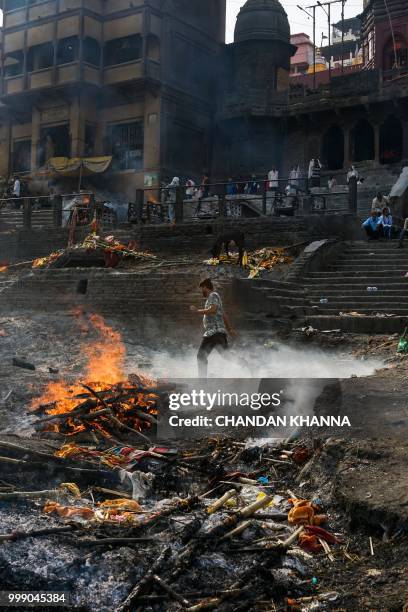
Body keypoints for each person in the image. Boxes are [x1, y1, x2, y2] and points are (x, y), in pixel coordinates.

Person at [190, 278, 236, 378]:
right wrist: (229, 329)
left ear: (205, 287)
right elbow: (223, 315)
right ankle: (248, 364)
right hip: (218, 333)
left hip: (213, 333)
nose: (202, 291)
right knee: (227, 356)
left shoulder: (213, 295)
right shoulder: (214, 298)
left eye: (202, 288)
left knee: (201, 356)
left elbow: (213, 310)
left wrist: (197, 311)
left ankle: (202, 384)